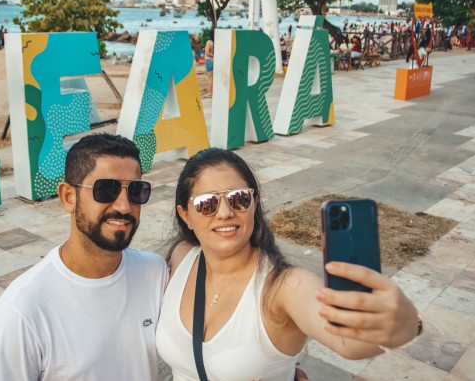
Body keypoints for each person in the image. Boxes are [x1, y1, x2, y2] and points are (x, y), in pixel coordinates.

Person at [156, 148, 421, 380]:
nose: (225, 212)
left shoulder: (285, 286)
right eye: (207, 204)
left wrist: (404, 323)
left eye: (239, 198)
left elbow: (348, 342)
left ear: (254, 203)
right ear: (185, 215)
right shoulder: (182, 257)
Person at [0, 133, 168, 379]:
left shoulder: (154, 273)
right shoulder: (21, 312)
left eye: (136, 190)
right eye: (106, 189)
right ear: (68, 197)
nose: (124, 206)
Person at [204, 33, 214, 98]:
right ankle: (212, 92)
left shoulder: (209, 42)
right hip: (214, 61)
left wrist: (214, 56)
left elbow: (207, 53)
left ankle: (210, 93)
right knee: (213, 78)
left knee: (210, 78)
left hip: (209, 61)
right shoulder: (215, 42)